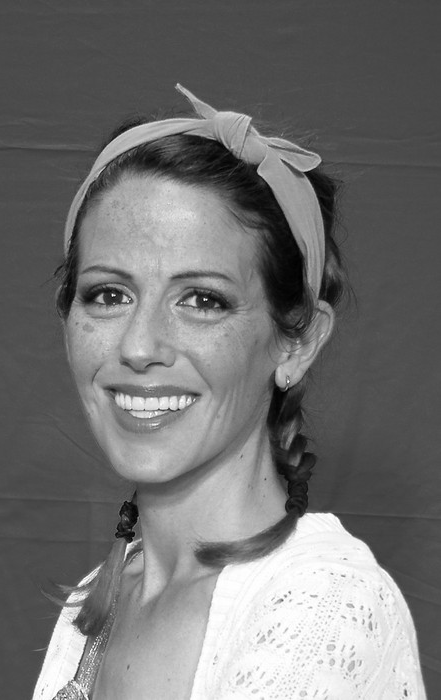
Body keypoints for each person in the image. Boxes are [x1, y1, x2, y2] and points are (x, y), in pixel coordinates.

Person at [33, 85, 426, 699]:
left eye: (202, 300)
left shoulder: (324, 612)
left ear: (296, 343)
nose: (139, 346)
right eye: (109, 294)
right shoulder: (95, 601)